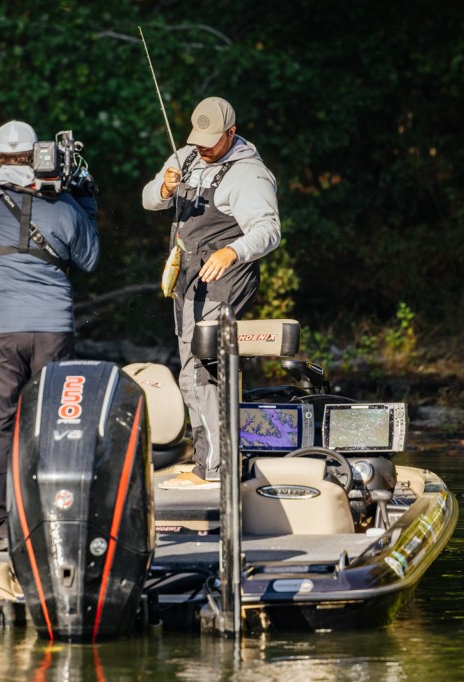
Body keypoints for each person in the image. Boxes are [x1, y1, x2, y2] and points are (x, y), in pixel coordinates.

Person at [0, 120, 100, 550]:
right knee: (53, 425)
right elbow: (89, 259)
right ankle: (52, 521)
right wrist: (82, 199)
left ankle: (1, 527)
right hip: (52, 329)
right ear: (39, 157)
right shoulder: (63, 207)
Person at [142, 97, 281, 489]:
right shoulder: (186, 156)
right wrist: (164, 189)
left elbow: (269, 230)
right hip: (186, 280)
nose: (202, 147)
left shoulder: (249, 175)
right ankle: (209, 459)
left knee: (201, 370)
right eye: (197, 139)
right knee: (191, 368)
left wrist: (231, 251)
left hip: (224, 280)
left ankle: (215, 467)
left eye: (211, 140)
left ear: (231, 133)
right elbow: (148, 199)